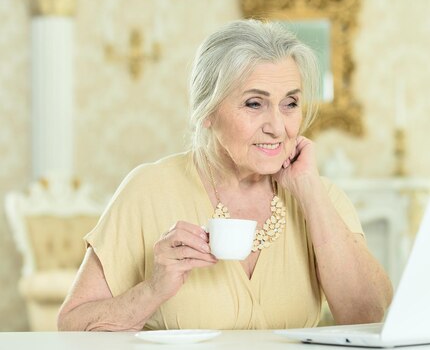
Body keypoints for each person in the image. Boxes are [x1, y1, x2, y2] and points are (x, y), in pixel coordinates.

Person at [57, 19, 393, 331]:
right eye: (254, 104)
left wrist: (310, 191)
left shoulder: (323, 197)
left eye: (290, 103)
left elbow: (371, 318)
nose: (277, 127)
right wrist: (153, 290)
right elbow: (72, 326)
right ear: (207, 111)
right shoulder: (148, 191)